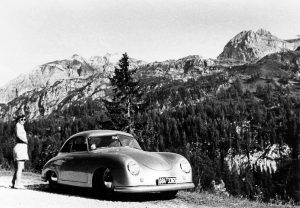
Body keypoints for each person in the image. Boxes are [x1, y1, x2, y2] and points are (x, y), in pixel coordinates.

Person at [11, 115, 29, 189]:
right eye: (22, 119)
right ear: (18, 119)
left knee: (17, 168)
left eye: (25, 119)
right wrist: (25, 140)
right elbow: (18, 135)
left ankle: (13, 183)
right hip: (21, 147)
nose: (23, 120)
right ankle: (18, 184)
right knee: (20, 168)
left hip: (19, 147)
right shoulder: (18, 125)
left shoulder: (20, 126)